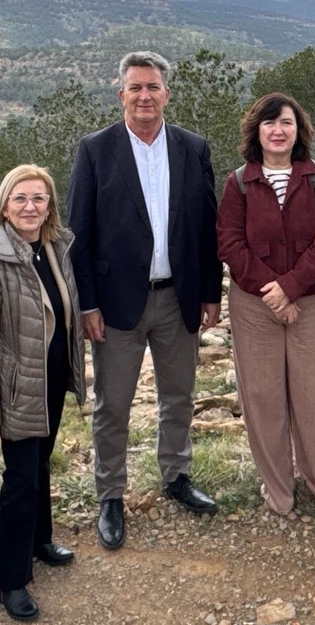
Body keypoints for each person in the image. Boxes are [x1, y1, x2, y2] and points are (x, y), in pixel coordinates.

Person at [68, 50, 224, 550]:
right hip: (116, 305)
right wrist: (86, 304)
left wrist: (209, 292)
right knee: (112, 404)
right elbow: (80, 233)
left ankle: (176, 477)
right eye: (135, 88)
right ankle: (110, 495)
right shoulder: (95, 150)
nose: (144, 96)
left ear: (166, 94)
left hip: (177, 297)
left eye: (152, 87)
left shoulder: (192, 148)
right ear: (121, 95)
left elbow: (206, 226)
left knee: (178, 397)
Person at [0, 165, 85, 621]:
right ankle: (9, 579)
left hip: (49, 380)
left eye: (39, 198)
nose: (30, 207)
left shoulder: (53, 248)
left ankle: (40, 541)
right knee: (19, 478)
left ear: (49, 205)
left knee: (40, 468)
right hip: (16, 389)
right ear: (4, 205)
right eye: (20, 199)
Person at [217, 93, 315, 516]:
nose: (277, 130)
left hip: (306, 302)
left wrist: (290, 288)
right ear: (256, 131)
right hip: (253, 306)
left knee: (313, 396)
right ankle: (278, 487)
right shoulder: (239, 182)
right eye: (269, 123)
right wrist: (272, 291)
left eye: (286, 122)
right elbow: (230, 243)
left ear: (298, 131)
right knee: (263, 398)